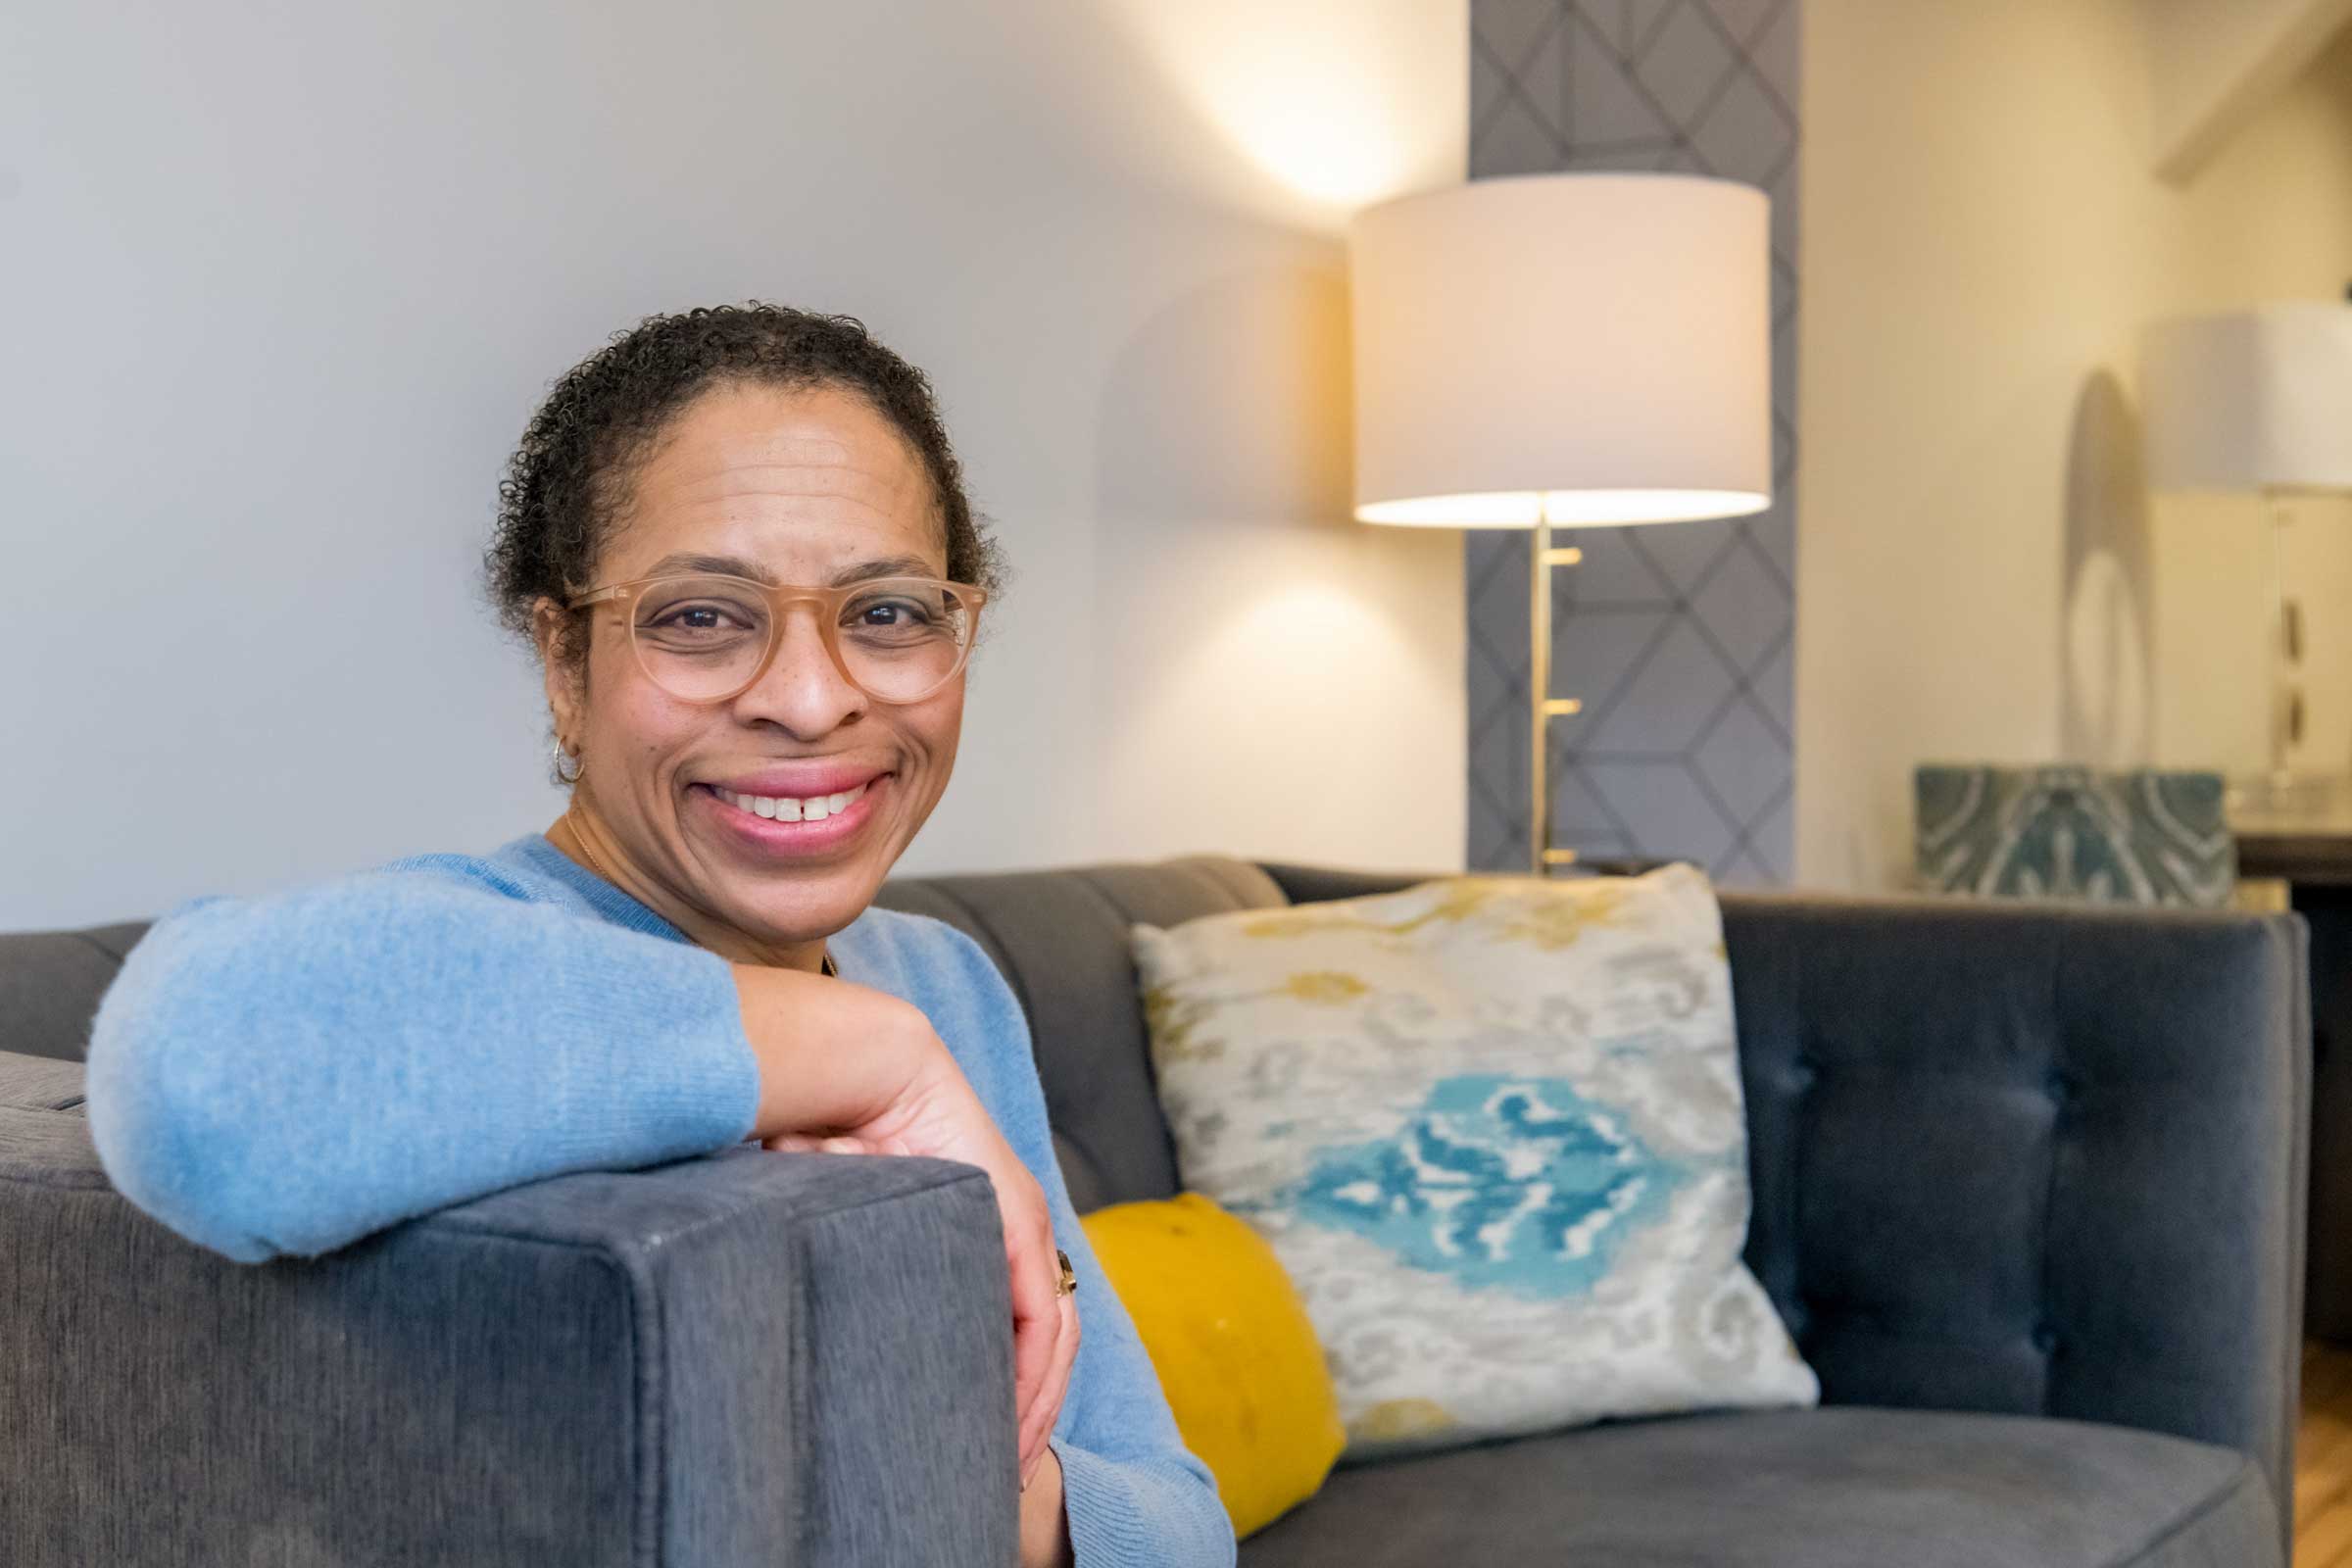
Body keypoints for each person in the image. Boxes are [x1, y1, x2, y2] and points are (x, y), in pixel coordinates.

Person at [84, 303, 1235, 1568]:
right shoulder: (503, 951)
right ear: (563, 664)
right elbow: (196, 1075)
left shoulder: (945, 981)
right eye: (699, 616)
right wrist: (861, 1054)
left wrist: (958, 1497)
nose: (810, 698)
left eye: (890, 612)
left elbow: (1179, 1519)